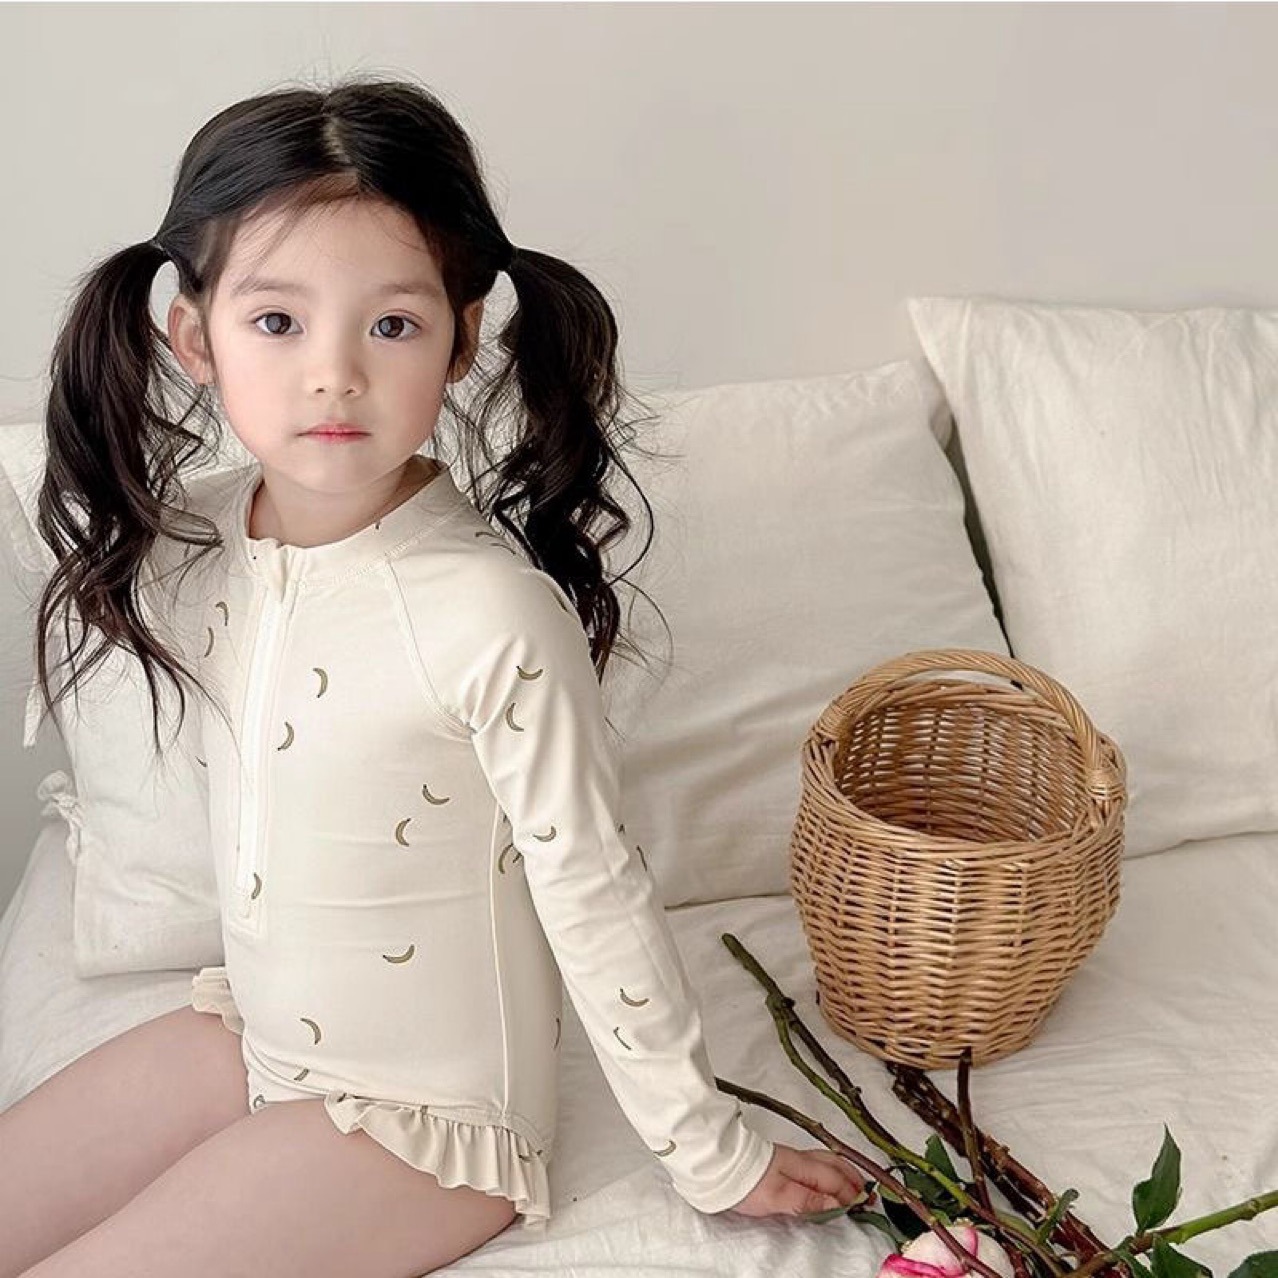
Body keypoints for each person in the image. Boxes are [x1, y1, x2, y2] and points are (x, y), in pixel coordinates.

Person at [0, 77, 866, 1278]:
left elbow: (595, 891)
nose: (334, 374)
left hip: (428, 1125)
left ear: (464, 338)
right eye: (277, 321)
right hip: (255, 1034)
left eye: (392, 326)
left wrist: (712, 1153)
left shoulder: (490, 614)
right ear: (194, 339)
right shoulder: (202, 539)